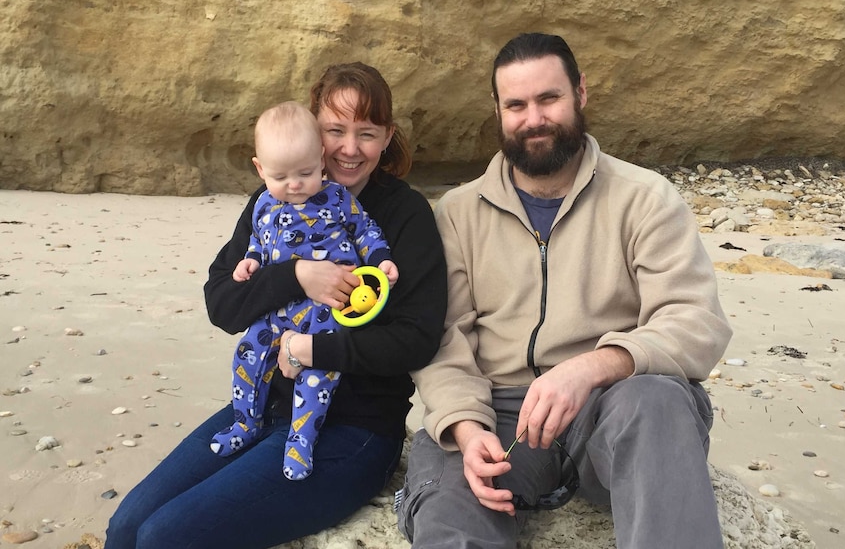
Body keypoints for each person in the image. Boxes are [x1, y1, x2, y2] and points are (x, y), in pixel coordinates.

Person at [396, 33, 733, 549]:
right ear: (498, 111)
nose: (534, 119)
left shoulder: (645, 199)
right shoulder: (457, 214)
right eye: (516, 105)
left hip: (612, 406)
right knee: (449, 513)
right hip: (501, 414)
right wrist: (465, 428)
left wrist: (594, 367)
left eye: (549, 98)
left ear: (580, 93)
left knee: (657, 401)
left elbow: (696, 322)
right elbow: (443, 340)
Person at [105, 62, 447, 549]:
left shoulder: (404, 214)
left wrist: (312, 350)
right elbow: (222, 302)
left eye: (367, 134)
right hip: (260, 410)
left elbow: (417, 337)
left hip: (354, 431)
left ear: (387, 137)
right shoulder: (269, 202)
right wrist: (297, 276)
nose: (350, 149)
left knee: (164, 536)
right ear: (312, 130)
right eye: (335, 130)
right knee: (125, 527)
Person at [209, 101, 399, 482]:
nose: (294, 185)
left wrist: (381, 261)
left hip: (324, 312)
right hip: (274, 314)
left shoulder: (338, 198)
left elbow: (365, 231)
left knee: (318, 374)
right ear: (260, 169)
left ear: (321, 161)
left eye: (306, 173)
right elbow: (257, 247)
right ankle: (246, 422)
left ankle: (301, 440)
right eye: (281, 176)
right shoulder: (263, 203)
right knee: (248, 356)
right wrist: (249, 263)